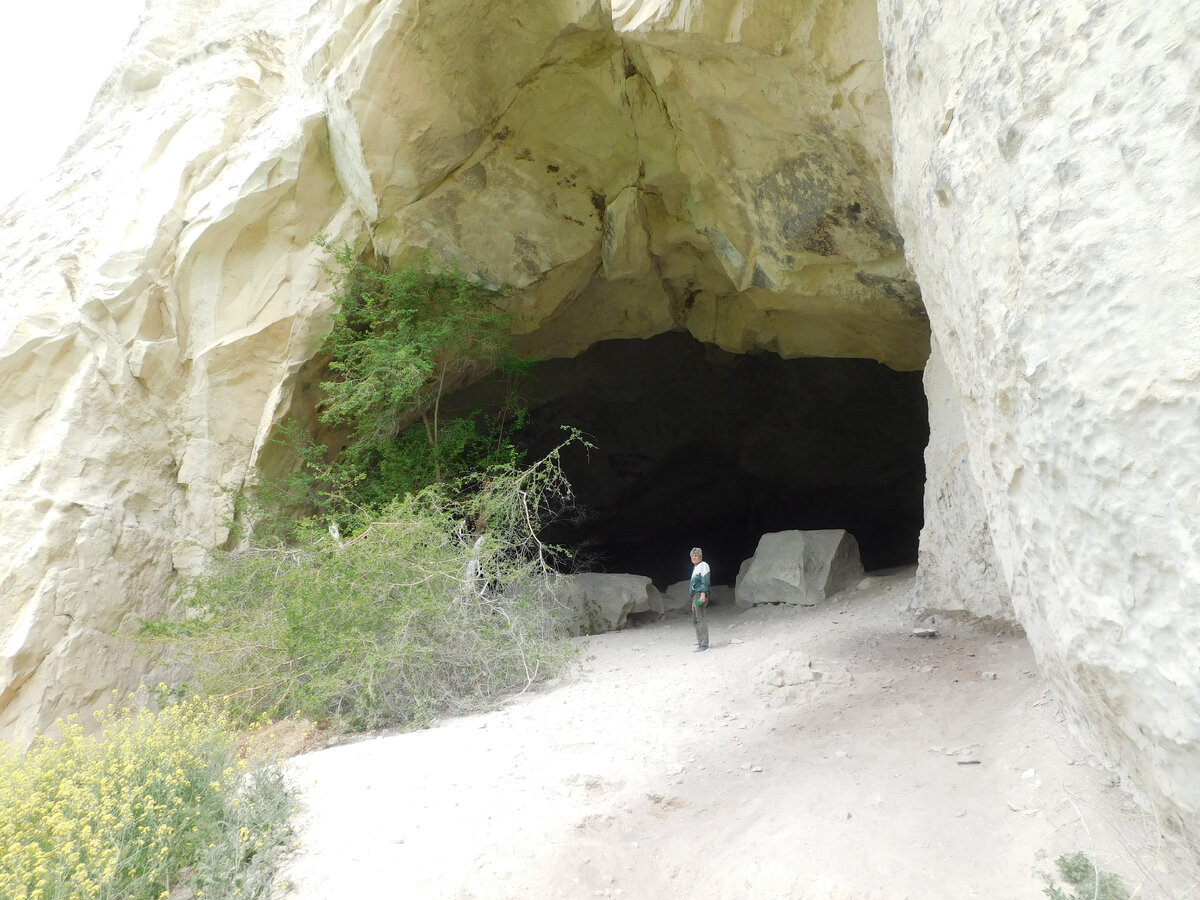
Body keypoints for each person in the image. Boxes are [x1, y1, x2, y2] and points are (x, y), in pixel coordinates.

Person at [688, 547, 710, 651]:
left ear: (700, 556)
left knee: (700, 618)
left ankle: (704, 645)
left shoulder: (703, 565)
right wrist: (693, 601)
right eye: (692, 556)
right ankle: (700, 643)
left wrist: (703, 594)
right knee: (695, 620)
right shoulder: (695, 567)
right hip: (696, 596)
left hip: (700, 594)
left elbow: (705, 580)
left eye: (696, 556)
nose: (694, 558)